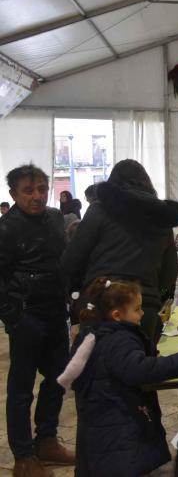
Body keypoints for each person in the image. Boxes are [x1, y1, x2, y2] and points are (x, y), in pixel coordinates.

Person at [58, 278, 178, 477]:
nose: (142, 313)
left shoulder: (93, 333)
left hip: (99, 418)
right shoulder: (119, 339)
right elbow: (138, 370)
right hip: (120, 422)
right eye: (137, 309)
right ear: (117, 315)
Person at [0, 164, 74, 477]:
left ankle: (46, 439)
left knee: (58, 378)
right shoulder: (6, 228)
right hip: (26, 314)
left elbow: (66, 260)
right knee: (21, 388)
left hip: (57, 311)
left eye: (42, 189)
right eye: (28, 190)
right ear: (13, 194)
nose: (37, 196)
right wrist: (12, 316)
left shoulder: (57, 219)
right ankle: (23, 456)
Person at [62, 160, 178, 342]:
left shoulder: (99, 210)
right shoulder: (161, 216)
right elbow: (169, 272)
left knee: (98, 364)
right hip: (142, 305)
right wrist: (155, 298)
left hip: (100, 301)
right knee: (140, 365)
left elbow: (72, 259)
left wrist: (77, 295)